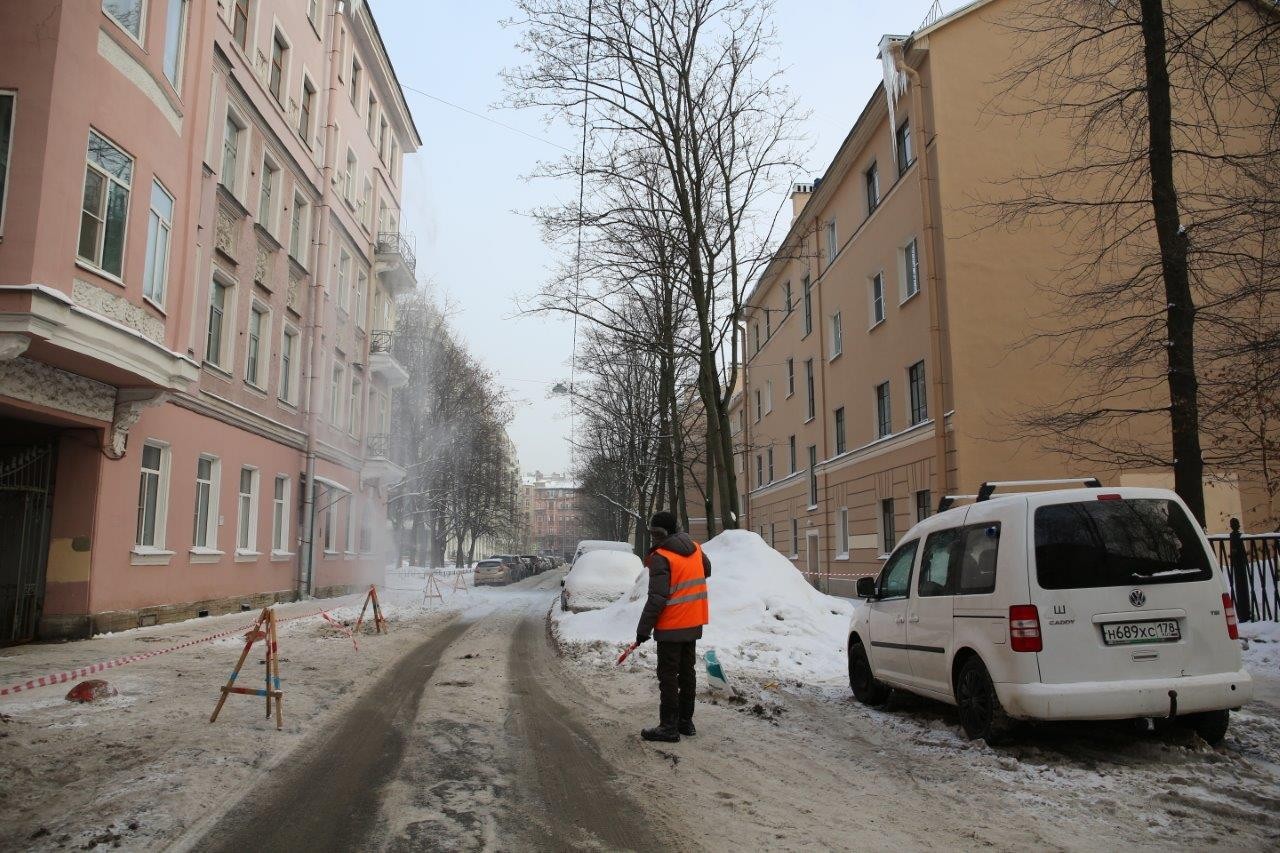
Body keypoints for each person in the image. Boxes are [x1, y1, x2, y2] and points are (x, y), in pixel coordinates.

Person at [635, 510, 711, 743]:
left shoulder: (661, 556)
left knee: (668, 676)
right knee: (687, 673)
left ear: (663, 533)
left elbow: (657, 597)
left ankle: (668, 727)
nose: (653, 538)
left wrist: (643, 629)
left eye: (655, 533)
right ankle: (686, 723)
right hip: (693, 621)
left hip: (671, 627)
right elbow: (706, 570)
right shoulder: (696, 548)